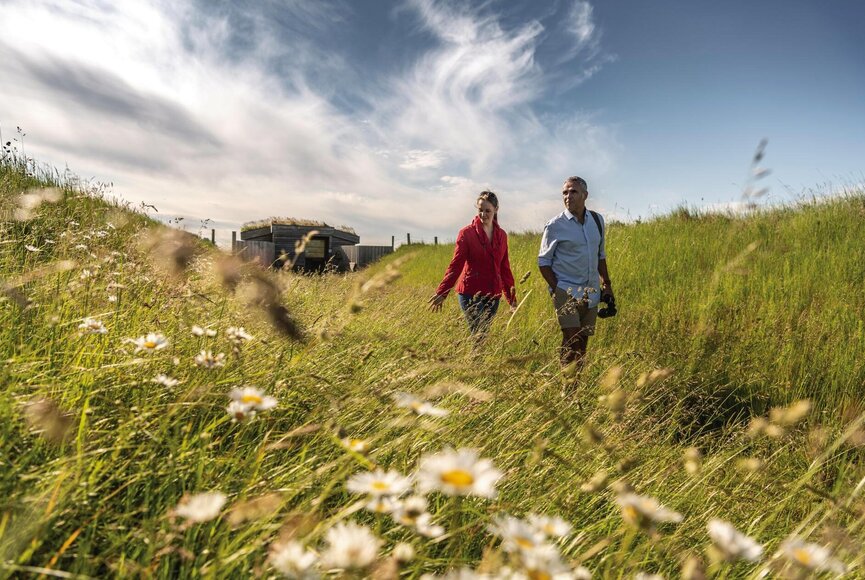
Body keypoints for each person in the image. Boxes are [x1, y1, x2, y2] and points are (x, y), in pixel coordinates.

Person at [538, 176, 614, 391]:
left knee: (582, 342)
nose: (568, 196)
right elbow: (543, 262)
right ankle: (567, 388)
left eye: (573, 192)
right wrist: (557, 288)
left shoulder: (597, 221)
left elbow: (600, 256)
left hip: (591, 291)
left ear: (585, 195)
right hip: (566, 290)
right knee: (572, 339)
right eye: (565, 192)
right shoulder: (555, 225)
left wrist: (607, 285)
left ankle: (575, 386)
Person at [429, 191, 517, 336]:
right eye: (480, 210)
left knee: (483, 334)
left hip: (493, 294)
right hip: (470, 292)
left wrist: (512, 299)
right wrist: (442, 292)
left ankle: (476, 352)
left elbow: (504, 268)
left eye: (487, 211)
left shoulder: (502, 235)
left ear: (496, 210)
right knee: (478, 333)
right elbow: (456, 265)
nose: (483, 214)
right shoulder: (466, 233)